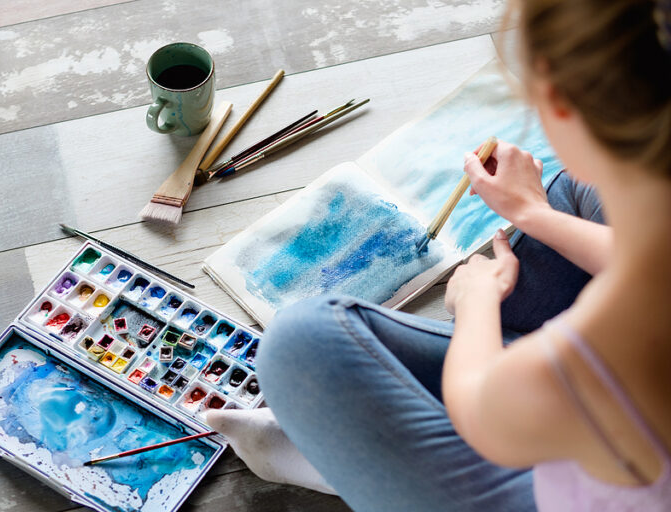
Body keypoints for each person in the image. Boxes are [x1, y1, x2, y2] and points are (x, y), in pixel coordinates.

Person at [207, 0, 671, 509]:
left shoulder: (616, 339)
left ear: (559, 102)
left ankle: (348, 459)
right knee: (576, 198)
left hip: (547, 454)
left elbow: (487, 413)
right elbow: (644, 257)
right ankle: (373, 447)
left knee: (299, 346)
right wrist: (535, 214)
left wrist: (476, 305)